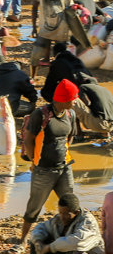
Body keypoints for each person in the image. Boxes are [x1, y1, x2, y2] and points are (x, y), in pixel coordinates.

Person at [18, 78, 79, 242]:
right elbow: (28, 139)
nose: (75, 101)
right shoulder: (41, 114)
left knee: (70, 203)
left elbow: (70, 136)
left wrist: (62, 152)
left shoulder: (70, 114)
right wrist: (34, 160)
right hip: (43, 170)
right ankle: (23, 239)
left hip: (64, 166)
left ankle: (68, 235)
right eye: (73, 98)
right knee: (34, 206)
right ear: (64, 99)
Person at [29, 0, 76, 70]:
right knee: (35, 56)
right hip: (45, 28)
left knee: (62, 57)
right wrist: (34, 28)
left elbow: (70, 8)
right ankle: (32, 78)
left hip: (61, 29)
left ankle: (60, 77)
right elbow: (34, 7)